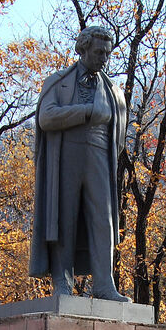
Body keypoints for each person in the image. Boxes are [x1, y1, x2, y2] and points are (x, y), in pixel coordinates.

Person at [28, 26, 130, 302]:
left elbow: (118, 138)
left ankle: (104, 284)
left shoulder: (114, 92)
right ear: (82, 50)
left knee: (103, 220)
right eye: (99, 52)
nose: (104, 58)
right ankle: (62, 283)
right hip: (66, 157)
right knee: (64, 218)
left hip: (99, 157)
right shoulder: (58, 82)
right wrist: (86, 113)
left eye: (107, 53)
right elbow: (46, 118)